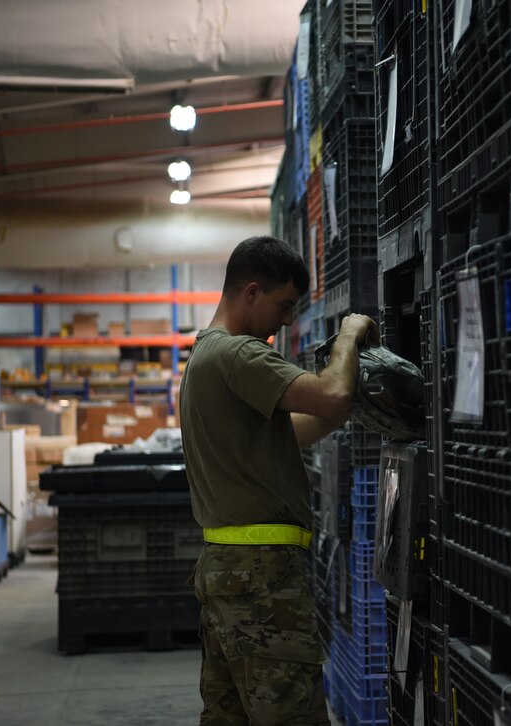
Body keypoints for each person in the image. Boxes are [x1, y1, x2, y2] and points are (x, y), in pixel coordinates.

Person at [180, 236, 377, 725]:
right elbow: (330, 394)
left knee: (231, 717)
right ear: (250, 292)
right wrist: (349, 337)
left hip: (228, 574)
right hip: (262, 579)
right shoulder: (237, 354)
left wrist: (345, 404)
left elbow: (302, 425)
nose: (288, 320)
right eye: (283, 305)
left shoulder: (204, 358)